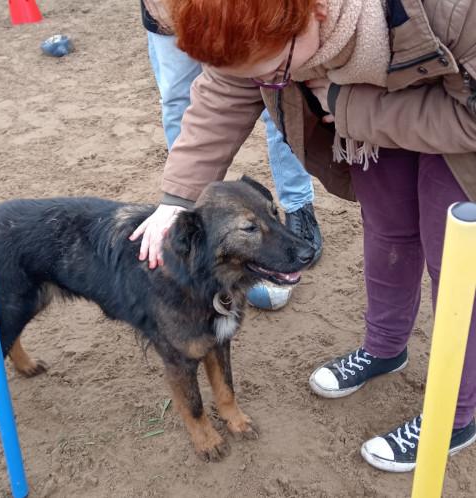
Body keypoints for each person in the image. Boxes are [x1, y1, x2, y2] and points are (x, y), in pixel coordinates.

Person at [132, 0, 476, 472]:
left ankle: (455, 416)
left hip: (457, 117)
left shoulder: (454, 10)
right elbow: (229, 85)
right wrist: (177, 197)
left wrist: (346, 105)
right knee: (388, 233)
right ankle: (384, 348)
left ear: (315, 13)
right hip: (364, 113)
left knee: (458, 268)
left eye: (273, 70)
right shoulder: (267, 31)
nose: (265, 83)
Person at [137, 0, 323, 310]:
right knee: (178, 98)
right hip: (177, 14)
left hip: (250, 12)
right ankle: (199, 224)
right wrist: (178, 197)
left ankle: (297, 205)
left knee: (279, 99)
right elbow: (222, 90)